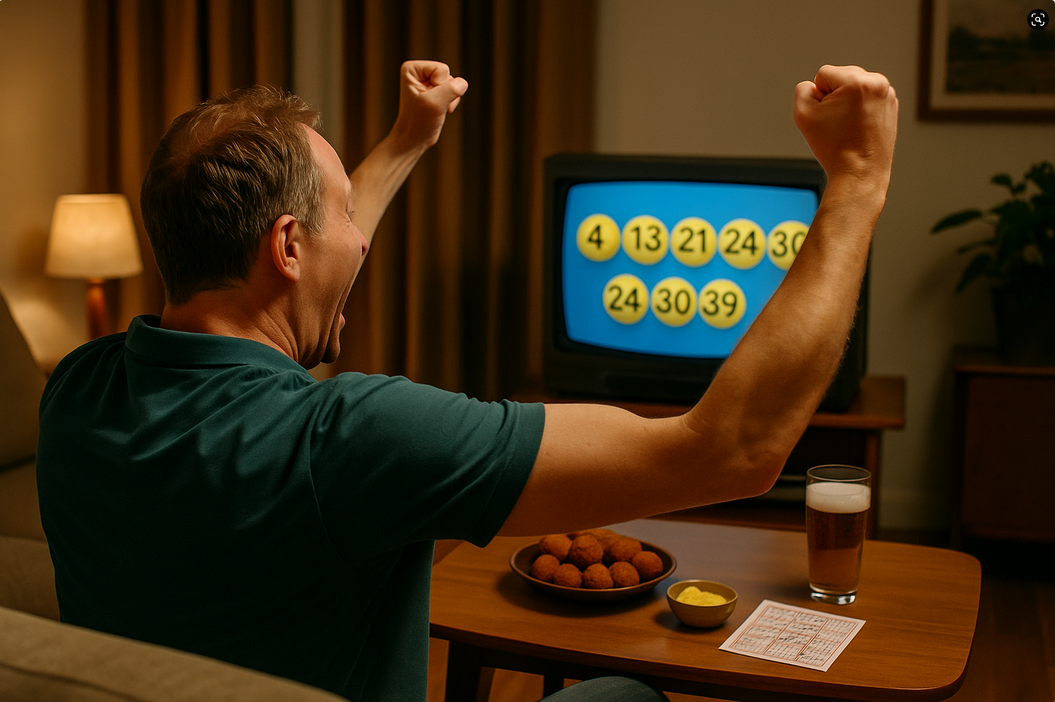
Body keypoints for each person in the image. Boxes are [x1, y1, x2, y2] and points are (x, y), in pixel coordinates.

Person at [37, 60, 897, 702]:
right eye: (343, 216)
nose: (362, 239)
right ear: (289, 245)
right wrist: (856, 180)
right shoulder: (349, 439)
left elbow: (289, 275)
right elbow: (731, 449)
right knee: (627, 697)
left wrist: (405, 144)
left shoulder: (77, 394)